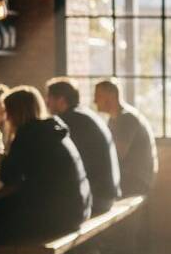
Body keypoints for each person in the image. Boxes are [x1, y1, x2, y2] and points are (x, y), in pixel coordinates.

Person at [0, 86, 92, 236]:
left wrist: (1, 154)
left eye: (8, 112)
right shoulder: (50, 129)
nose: (6, 118)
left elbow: (8, 176)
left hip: (61, 217)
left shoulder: (28, 134)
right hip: (79, 208)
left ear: (15, 113)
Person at [46, 78, 121, 215]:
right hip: (106, 194)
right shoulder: (84, 114)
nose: (47, 104)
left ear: (61, 100)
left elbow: (58, 161)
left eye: (49, 99)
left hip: (97, 199)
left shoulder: (69, 121)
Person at [93, 79, 158, 196]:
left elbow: (117, 155)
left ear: (111, 96)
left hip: (136, 179)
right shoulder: (113, 119)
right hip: (129, 176)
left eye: (98, 95)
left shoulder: (126, 118)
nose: (95, 100)